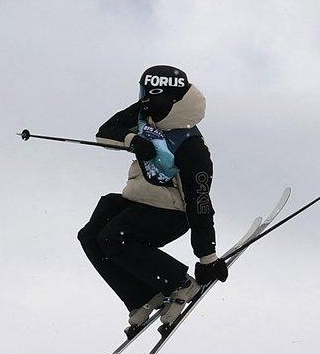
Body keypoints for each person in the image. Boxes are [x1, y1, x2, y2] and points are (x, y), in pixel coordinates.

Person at [78, 65, 227, 337]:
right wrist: (132, 139)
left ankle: (179, 283)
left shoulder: (191, 146)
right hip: (140, 199)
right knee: (91, 235)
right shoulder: (145, 114)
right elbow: (105, 132)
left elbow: (199, 200)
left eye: (149, 94)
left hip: (172, 212)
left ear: (167, 97)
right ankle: (143, 296)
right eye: (143, 93)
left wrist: (208, 257)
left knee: (114, 237)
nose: (143, 100)